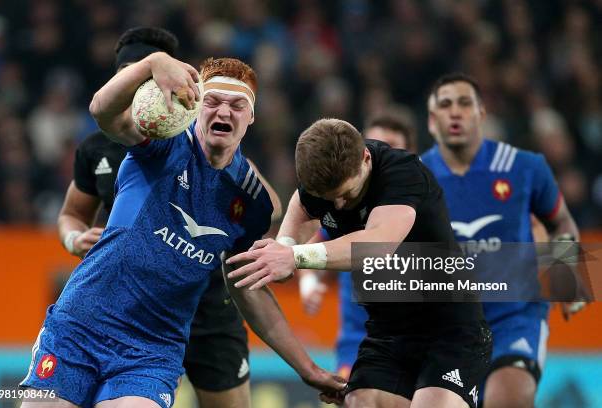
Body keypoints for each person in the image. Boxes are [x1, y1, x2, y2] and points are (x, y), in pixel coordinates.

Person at [21, 52, 345, 407]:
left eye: (237, 105)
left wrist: (308, 368)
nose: (224, 112)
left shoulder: (252, 202)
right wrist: (152, 62)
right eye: (214, 101)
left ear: (251, 116)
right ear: (197, 106)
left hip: (150, 352)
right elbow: (102, 111)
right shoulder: (165, 142)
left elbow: (248, 290)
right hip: (80, 327)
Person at [56, 27, 282, 408]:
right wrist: (73, 238)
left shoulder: (195, 141)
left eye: (144, 72)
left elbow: (266, 206)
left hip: (207, 305)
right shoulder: (98, 146)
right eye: (125, 72)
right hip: (123, 306)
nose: (134, 83)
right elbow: (71, 215)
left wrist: (223, 155)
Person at [226, 118, 492, 408]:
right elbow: (290, 237)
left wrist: (295, 256)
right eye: (330, 198)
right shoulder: (316, 190)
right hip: (388, 335)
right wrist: (278, 253)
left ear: (365, 158)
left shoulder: (402, 173)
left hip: (451, 331)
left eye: (346, 193)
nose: (339, 206)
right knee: (361, 401)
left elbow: (377, 247)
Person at [421, 73, 581, 408]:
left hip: (515, 318)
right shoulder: (414, 177)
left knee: (507, 399)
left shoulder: (525, 167)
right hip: (447, 328)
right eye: (445, 105)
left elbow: (560, 221)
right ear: (432, 120)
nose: (455, 112)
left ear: (481, 113)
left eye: (465, 103)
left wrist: (567, 277)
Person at [296, 109, 418, 380]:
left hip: (416, 333)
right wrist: (308, 284)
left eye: (389, 146)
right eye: (372, 144)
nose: (377, 152)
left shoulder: (421, 205)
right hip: (358, 337)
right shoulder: (345, 209)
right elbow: (312, 247)